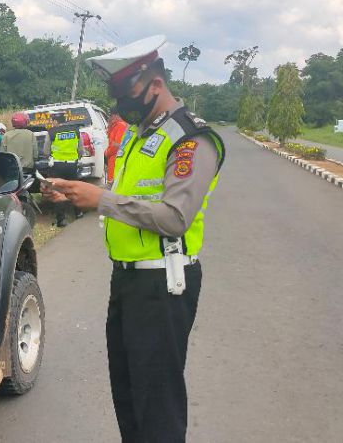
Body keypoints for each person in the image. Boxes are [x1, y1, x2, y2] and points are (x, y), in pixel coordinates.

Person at [42, 35, 226, 442]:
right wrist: (73, 193)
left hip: (162, 284)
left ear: (155, 83)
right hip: (128, 280)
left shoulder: (190, 139)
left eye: (125, 92)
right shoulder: (140, 135)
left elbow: (175, 217)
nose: (119, 102)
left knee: (156, 403)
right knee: (128, 394)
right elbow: (127, 196)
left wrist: (102, 200)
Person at [43, 123, 86, 227]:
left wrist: (51, 157)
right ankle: (78, 213)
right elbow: (81, 150)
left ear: (55, 121)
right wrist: (76, 158)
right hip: (72, 165)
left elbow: (46, 151)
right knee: (73, 189)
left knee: (59, 191)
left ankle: (61, 220)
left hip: (57, 165)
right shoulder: (75, 131)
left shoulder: (51, 132)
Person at [105, 111, 130, 185]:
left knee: (112, 186)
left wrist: (106, 153)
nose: (109, 118)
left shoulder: (120, 125)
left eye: (111, 115)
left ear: (116, 115)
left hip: (115, 160)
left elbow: (116, 145)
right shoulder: (115, 125)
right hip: (113, 160)